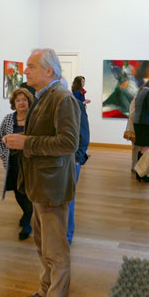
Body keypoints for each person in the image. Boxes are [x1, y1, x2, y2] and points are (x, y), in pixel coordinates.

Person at [2, 48, 80, 297]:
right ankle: (46, 291)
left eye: (32, 66)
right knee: (42, 245)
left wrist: (27, 143)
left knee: (56, 250)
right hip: (39, 184)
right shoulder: (42, 96)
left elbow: (69, 142)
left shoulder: (62, 97)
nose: (26, 71)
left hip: (52, 185)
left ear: (49, 70)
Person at [0, 88, 35, 240]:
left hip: (30, 162)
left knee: (29, 190)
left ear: (29, 101)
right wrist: (3, 155)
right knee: (18, 191)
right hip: (13, 161)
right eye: (18, 101)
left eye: (24, 100)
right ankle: (26, 215)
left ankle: (27, 220)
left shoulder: (34, 118)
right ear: (14, 103)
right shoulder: (8, 119)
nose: (21, 103)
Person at [66, 79, 90, 245]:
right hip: (52, 163)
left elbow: (84, 134)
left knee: (68, 198)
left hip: (71, 160)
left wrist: (78, 158)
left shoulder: (75, 105)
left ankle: (67, 236)